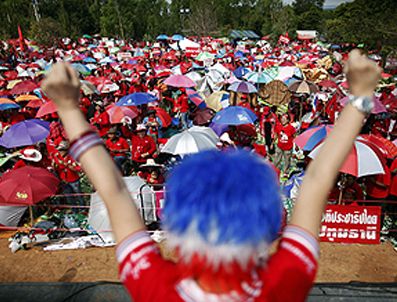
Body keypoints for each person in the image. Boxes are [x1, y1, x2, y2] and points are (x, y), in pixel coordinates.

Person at [42, 50, 380, 302]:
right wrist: (360, 99)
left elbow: (113, 191)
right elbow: (319, 178)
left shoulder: (156, 286)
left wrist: (68, 108)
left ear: (172, 228)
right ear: (269, 227)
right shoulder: (284, 281)